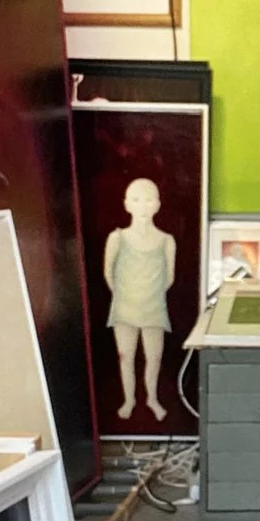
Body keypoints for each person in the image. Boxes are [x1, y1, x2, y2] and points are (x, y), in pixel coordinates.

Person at [104, 175, 177, 421]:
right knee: (126, 356)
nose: (143, 206)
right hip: (125, 306)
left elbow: (169, 277)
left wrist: (149, 294)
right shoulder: (117, 238)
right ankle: (129, 400)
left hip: (154, 306)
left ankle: (152, 398)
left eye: (149, 200)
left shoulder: (167, 241)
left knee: (154, 356)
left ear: (157, 204)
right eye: (137, 199)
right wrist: (125, 294)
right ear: (127, 204)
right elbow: (108, 272)